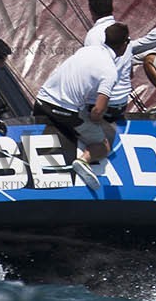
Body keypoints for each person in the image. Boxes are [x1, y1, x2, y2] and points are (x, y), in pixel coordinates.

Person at [35, 23, 132, 183]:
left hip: (41, 100)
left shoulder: (86, 50)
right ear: (123, 45)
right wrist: (98, 123)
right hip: (64, 111)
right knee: (103, 145)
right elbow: (98, 112)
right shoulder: (109, 71)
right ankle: (82, 161)